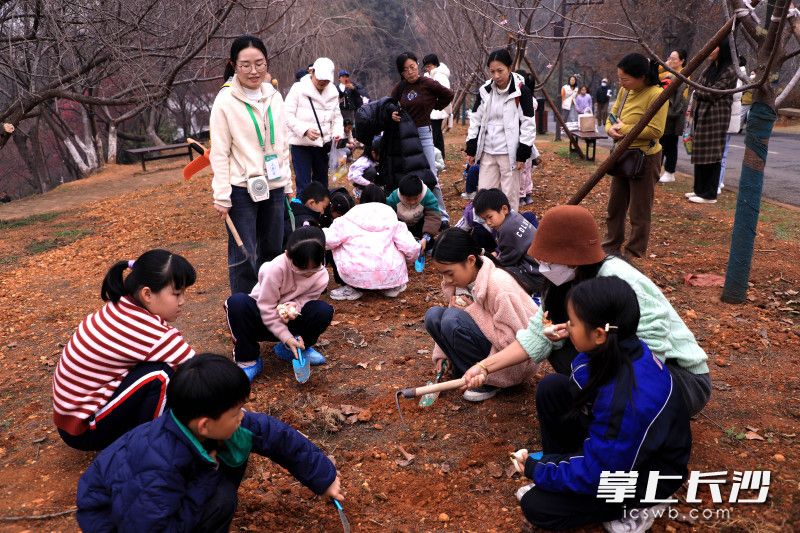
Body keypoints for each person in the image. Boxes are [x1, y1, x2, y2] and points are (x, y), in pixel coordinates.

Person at [460, 205, 711, 417]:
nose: (542, 267)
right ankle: (603, 408)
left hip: (677, 378)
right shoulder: (561, 283)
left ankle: (623, 421)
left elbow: (651, 350)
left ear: (573, 258)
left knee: (576, 352)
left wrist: (600, 358)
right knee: (557, 347)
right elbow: (536, 336)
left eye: (548, 260)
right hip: (620, 363)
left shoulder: (620, 282)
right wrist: (484, 367)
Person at [76, 354, 342, 532]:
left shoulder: (199, 421)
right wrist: (206, 482)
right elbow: (149, 527)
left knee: (236, 446)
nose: (243, 417)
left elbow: (274, 435)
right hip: (115, 520)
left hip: (147, 503)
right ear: (204, 424)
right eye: (236, 412)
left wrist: (323, 478)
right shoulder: (159, 469)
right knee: (221, 499)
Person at [513, 277, 691, 531]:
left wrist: (538, 469)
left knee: (537, 506)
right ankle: (561, 471)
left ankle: (638, 506)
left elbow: (602, 472)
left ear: (598, 334)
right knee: (552, 389)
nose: (566, 326)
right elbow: (583, 380)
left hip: (648, 473)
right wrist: (573, 335)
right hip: (621, 449)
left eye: (572, 322)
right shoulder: (622, 347)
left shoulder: (627, 398)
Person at [53, 250, 197, 451]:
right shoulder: (146, 330)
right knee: (161, 375)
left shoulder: (121, 305)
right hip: (83, 429)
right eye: (176, 293)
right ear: (147, 294)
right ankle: (148, 447)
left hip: (71, 419)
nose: (183, 301)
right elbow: (199, 371)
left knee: (164, 371)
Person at [210, 35, 291, 294]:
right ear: (234, 65)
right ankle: (243, 310)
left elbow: (283, 143)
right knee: (245, 254)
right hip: (242, 188)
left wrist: (287, 181)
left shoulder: (274, 96)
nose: (253, 71)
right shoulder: (225, 100)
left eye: (259, 63)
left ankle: (269, 305)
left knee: (273, 250)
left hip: (274, 184)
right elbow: (220, 152)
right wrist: (222, 195)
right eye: (245, 64)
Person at [425, 228, 539, 402]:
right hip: (487, 349)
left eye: (449, 273)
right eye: (442, 274)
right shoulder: (462, 281)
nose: (446, 280)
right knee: (434, 315)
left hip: (511, 365)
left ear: (471, 260)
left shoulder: (498, 285)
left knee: (452, 320)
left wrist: (472, 310)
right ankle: (463, 368)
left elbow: (515, 341)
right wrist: (443, 354)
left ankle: (489, 382)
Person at [224, 226, 333, 382]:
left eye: (313, 269)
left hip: (290, 319)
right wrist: (286, 336)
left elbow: (306, 300)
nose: (308, 274)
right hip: (262, 319)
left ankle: (294, 349)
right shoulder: (275, 269)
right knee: (237, 303)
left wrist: (294, 306)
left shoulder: (321, 276)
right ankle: (248, 360)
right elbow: (266, 307)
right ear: (288, 255)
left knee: (322, 310)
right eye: (300, 269)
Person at [604, 53, 668, 259]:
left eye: (625, 78)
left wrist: (625, 129)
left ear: (641, 76)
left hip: (645, 157)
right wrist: (609, 129)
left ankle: (633, 253)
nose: (621, 82)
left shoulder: (656, 93)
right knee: (615, 206)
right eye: (620, 78)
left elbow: (656, 131)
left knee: (639, 212)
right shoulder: (625, 91)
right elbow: (612, 116)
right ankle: (610, 247)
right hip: (622, 155)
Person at [465, 48, 538, 213]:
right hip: (488, 151)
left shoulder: (521, 91)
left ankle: (508, 233)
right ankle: (486, 231)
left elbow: (528, 123)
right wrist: (471, 144)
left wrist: (523, 152)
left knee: (509, 197)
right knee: (484, 194)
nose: (496, 76)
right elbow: (475, 119)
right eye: (492, 71)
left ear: (509, 68)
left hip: (509, 153)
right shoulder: (485, 91)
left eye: (500, 71)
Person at [324, 184, 421, 301]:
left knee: (338, 243)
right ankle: (390, 287)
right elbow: (411, 247)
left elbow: (328, 241)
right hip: (389, 274)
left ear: (361, 200)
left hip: (355, 275)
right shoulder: (393, 220)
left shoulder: (346, 220)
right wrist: (408, 262)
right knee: (397, 244)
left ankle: (353, 287)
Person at [391, 52, 454, 223]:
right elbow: (389, 103)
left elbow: (448, 95)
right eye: (406, 70)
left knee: (430, 175)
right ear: (401, 73)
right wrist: (392, 113)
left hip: (424, 133)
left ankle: (442, 215)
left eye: (412, 67)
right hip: (405, 135)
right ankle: (413, 213)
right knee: (408, 175)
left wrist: (433, 106)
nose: (411, 72)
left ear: (417, 65)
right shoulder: (400, 87)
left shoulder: (427, 83)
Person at [285, 57, 344, 198]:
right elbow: (286, 115)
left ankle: (322, 215)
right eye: (320, 79)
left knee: (322, 183)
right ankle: (303, 216)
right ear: (312, 73)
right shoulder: (298, 89)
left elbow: (337, 117)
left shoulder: (333, 93)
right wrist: (304, 130)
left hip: (322, 145)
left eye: (326, 80)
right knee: (304, 184)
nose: (323, 83)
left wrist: (337, 133)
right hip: (301, 145)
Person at [687, 40, 736, 204]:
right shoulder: (710, 68)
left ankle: (709, 194)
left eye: (714, 47)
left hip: (717, 116)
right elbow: (698, 87)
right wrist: (700, 92)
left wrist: (699, 92)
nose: (710, 50)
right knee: (700, 151)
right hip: (702, 113)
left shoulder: (730, 69)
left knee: (713, 154)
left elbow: (712, 92)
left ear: (722, 50)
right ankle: (699, 190)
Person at [473, 188, 542, 294]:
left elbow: (507, 259)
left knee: (499, 275)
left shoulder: (506, 229)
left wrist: (492, 264)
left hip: (535, 274)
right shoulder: (514, 217)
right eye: (485, 219)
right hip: (539, 264)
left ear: (504, 209)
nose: (488, 223)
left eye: (489, 217)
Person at [659, 49, 689, 183]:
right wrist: (666, 63)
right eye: (669, 57)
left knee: (670, 144)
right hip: (666, 113)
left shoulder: (683, 75)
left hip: (674, 115)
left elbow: (680, 100)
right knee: (663, 142)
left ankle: (670, 171)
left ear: (682, 61)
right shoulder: (667, 72)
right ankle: (662, 170)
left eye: (674, 59)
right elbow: (654, 72)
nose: (670, 61)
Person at [719, 56, 747, 194]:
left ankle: (718, 182)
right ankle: (719, 180)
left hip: (729, 118)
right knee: (721, 151)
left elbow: (733, 95)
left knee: (722, 152)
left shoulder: (738, 75)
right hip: (726, 117)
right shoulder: (736, 74)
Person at [386, 175, 442, 244]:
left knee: (428, 241)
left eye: (416, 198)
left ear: (420, 193)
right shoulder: (394, 197)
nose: (412, 202)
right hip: (401, 226)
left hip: (421, 226)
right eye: (408, 199)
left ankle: (428, 245)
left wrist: (426, 237)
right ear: (401, 194)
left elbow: (433, 216)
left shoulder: (427, 195)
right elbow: (386, 214)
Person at [422, 53, 452, 159]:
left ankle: (435, 158)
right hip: (434, 110)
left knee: (434, 136)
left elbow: (446, 94)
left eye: (429, 66)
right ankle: (440, 157)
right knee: (437, 135)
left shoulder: (440, 76)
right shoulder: (430, 76)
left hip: (437, 111)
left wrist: (436, 104)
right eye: (426, 67)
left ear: (435, 65)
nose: (427, 69)